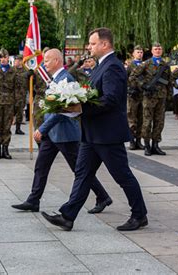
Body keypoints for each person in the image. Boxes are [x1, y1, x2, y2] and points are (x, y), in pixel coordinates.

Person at [41, 28, 148, 232]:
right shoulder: (102, 65)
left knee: (122, 175)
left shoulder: (113, 67)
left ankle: (139, 215)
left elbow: (110, 100)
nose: (89, 47)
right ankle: (67, 216)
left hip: (107, 134)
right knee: (82, 174)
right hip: (91, 133)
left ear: (105, 44)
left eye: (92, 43)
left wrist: (80, 107)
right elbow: (91, 93)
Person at [12, 49, 112, 213]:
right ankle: (33, 200)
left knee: (79, 170)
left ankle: (102, 196)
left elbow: (63, 110)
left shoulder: (65, 78)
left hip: (65, 134)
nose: (44, 64)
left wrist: (42, 129)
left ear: (57, 61)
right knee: (41, 167)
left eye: (47, 60)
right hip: (52, 134)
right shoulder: (56, 78)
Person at [132, 42, 171, 156]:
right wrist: (143, 85)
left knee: (159, 122)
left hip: (161, 97)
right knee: (147, 121)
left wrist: (169, 96)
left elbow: (169, 81)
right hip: (149, 97)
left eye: (159, 49)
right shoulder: (146, 64)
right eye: (156, 49)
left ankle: (156, 144)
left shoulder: (165, 65)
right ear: (152, 51)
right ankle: (147, 145)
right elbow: (134, 75)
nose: (158, 50)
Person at [126, 45, 145, 150]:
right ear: (133, 54)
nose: (140, 54)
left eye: (141, 52)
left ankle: (139, 140)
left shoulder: (145, 65)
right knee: (132, 119)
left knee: (141, 119)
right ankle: (132, 141)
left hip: (143, 95)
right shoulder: (130, 66)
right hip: (133, 96)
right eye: (138, 52)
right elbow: (125, 79)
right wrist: (129, 89)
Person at [13, 55, 28, 135]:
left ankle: (18, 129)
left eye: (18, 60)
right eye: (16, 60)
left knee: (19, 113)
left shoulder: (25, 70)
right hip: (12, 96)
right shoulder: (12, 70)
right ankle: (6, 128)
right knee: (10, 113)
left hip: (22, 96)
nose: (17, 61)